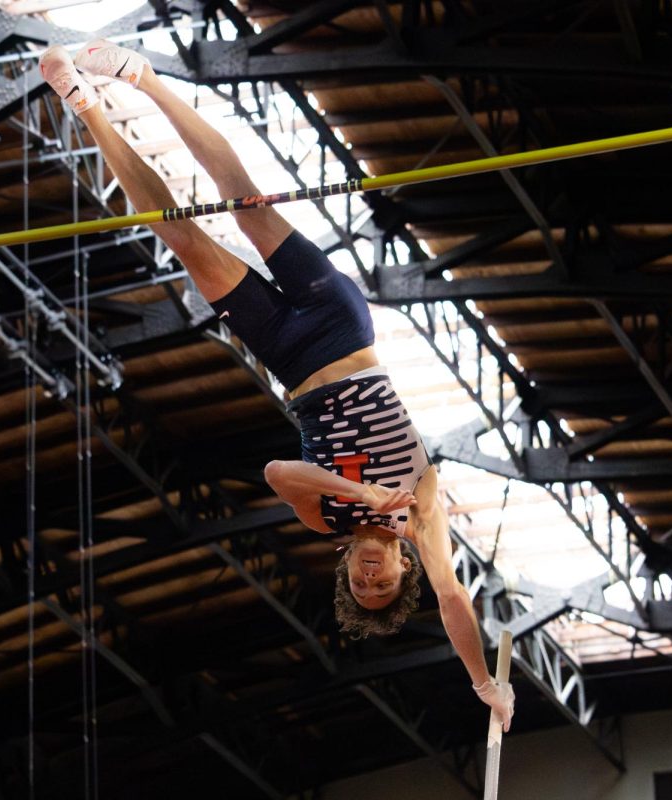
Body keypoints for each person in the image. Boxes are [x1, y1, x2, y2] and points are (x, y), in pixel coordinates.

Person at [39, 41, 513, 730]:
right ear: (403, 573)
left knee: (184, 241)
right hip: (344, 331)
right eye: (383, 585)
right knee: (247, 203)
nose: (372, 577)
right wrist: (481, 685)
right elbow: (454, 602)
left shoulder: (328, 518)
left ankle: (87, 110)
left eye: (360, 583)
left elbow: (278, 469)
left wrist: (361, 493)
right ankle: (141, 78)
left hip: (287, 358)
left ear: (349, 570)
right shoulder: (426, 519)